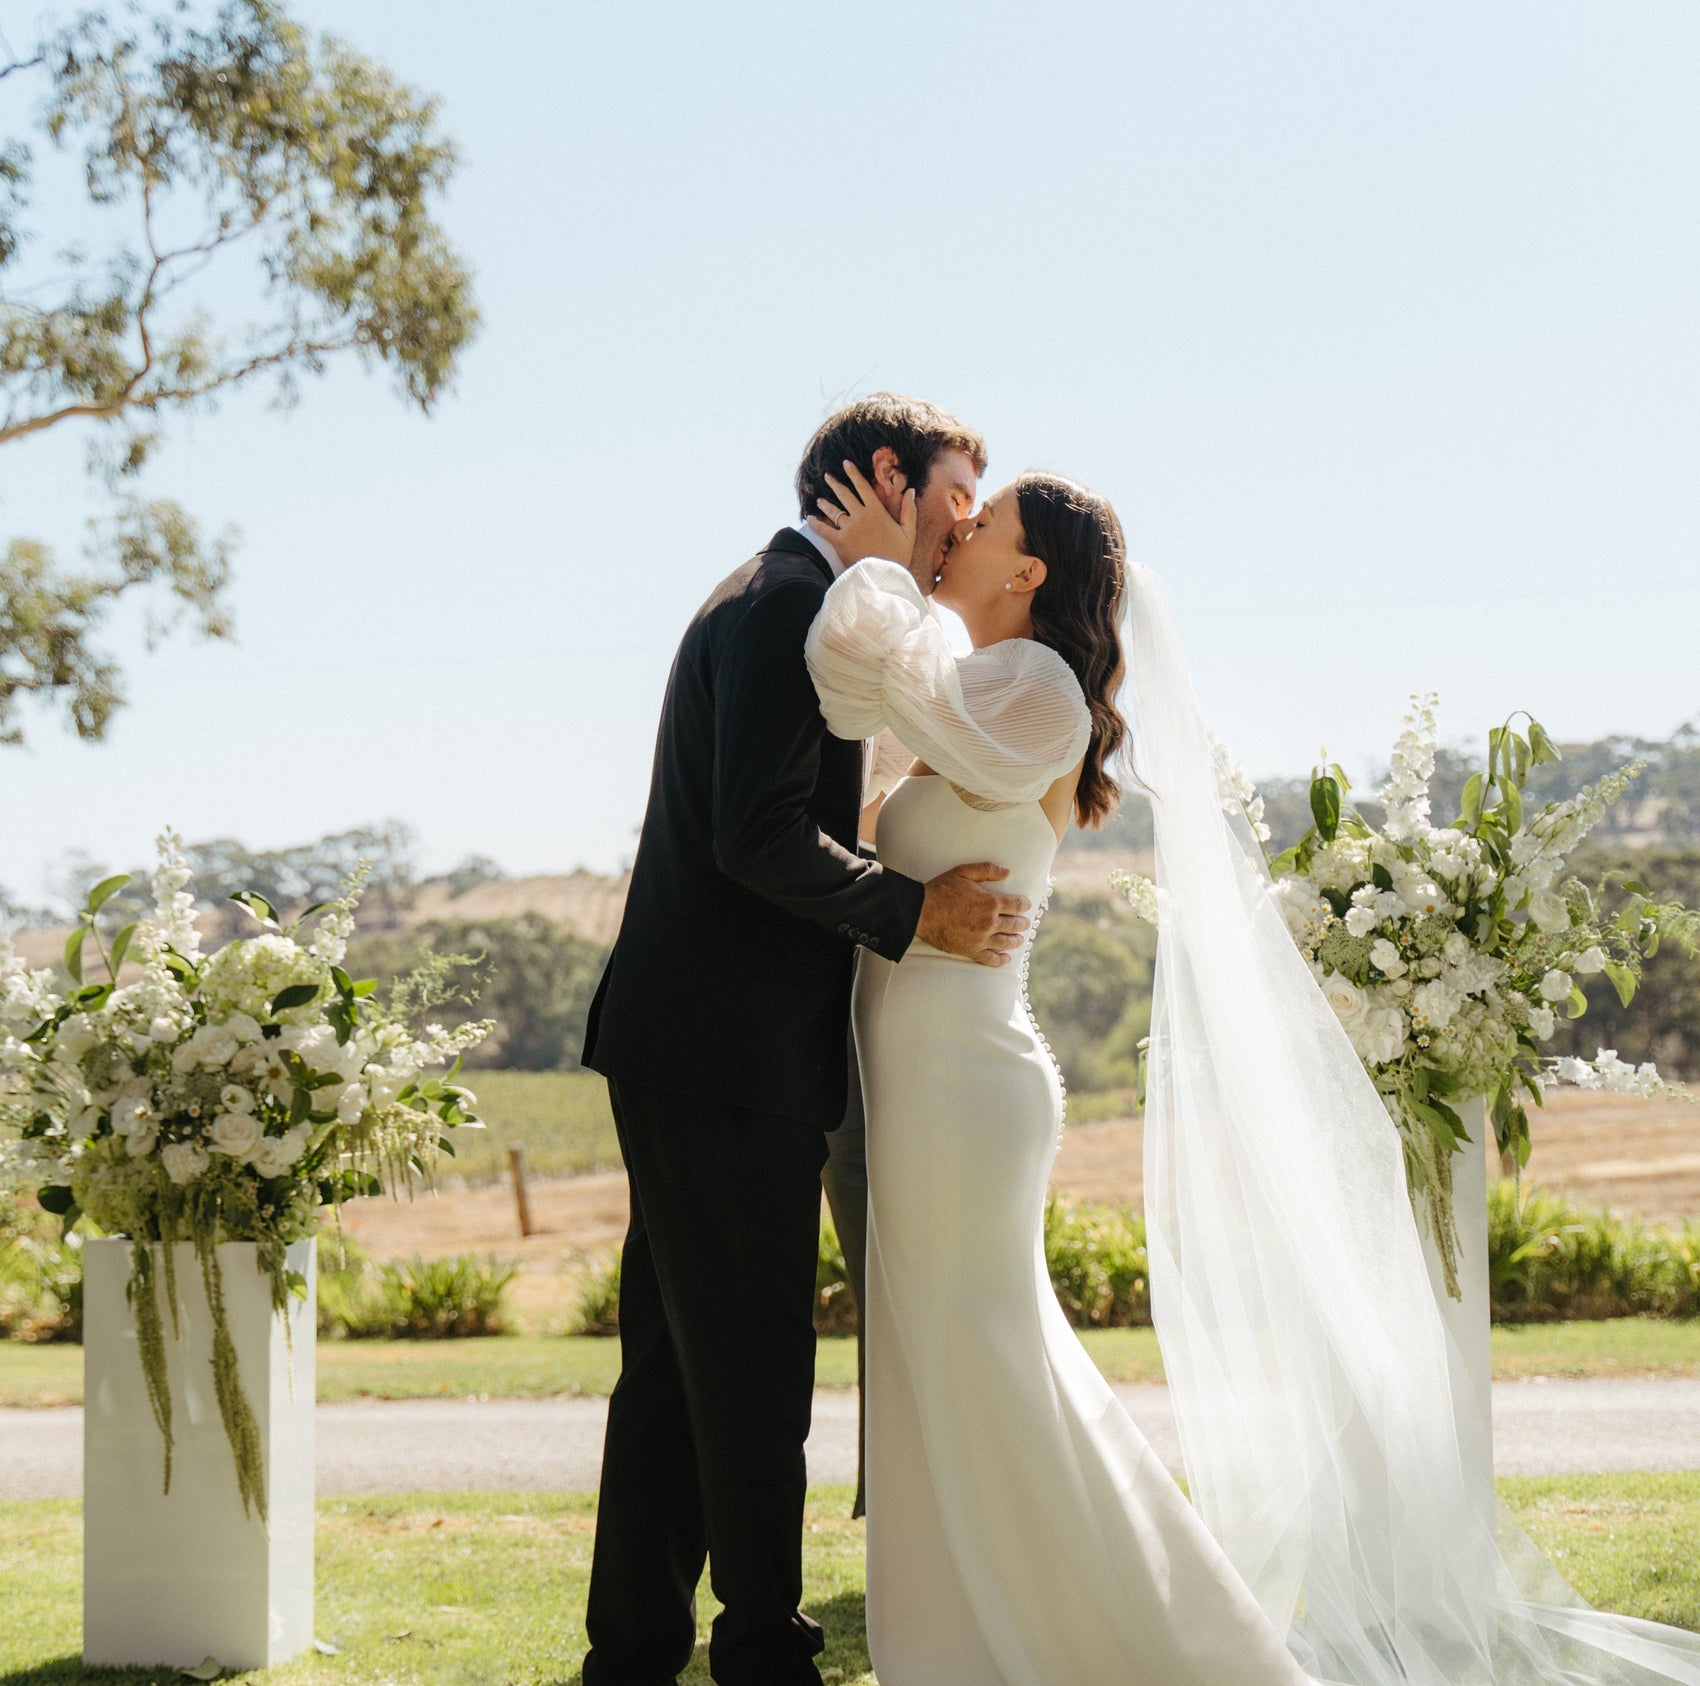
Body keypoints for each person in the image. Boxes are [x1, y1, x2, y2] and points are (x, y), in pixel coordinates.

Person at [805, 465, 1700, 1685]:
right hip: (922, 1078)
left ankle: (1168, 1644)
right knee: (942, 1358)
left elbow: (890, 664)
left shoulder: (1039, 693)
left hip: (961, 1089)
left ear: (1027, 573)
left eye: (980, 523)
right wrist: (876, 579)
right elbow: (855, 684)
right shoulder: (975, 680)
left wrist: (867, 558)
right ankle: (968, 1639)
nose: (951, 533)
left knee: (986, 1355)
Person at [577, 393, 1035, 1686]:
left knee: (675, 1368)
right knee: (756, 1368)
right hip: (727, 1053)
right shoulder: (784, 603)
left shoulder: (787, 597)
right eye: (954, 493)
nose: (959, 526)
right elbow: (758, 831)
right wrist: (916, 911)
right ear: (888, 475)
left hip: (689, 1043)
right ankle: (763, 1649)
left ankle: (635, 1647)